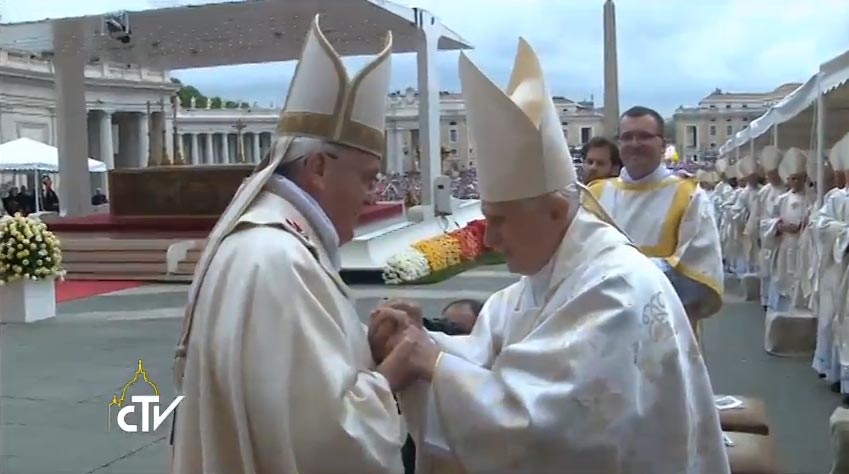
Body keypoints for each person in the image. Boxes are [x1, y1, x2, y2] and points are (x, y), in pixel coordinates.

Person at [370, 38, 729, 474]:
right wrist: (423, 339)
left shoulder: (613, 289)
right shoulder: (548, 273)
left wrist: (434, 365)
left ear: (556, 211)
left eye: (500, 221)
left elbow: (550, 429)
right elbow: (491, 355)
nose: (491, 241)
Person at [170, 16, 406, 474]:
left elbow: (292, 391)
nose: (373, 194)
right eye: (367, 178)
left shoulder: (273, 243)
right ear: (318, 167)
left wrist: (367, 348)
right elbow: (326, 441)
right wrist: (396, 371)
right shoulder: (280, 259)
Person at [587, 105, 724, 334]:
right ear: (619, 144)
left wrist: (622, 276)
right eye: (627, 137)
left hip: (664, 328)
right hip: (602, 327)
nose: (634, 144)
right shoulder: (595, 195)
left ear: (663, 144)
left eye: (644, 136)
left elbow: (697, 272)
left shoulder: (689, 196)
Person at [811, 134, 849, 386]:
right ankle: (840, 375)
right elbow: (820, 225)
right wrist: (845, 235)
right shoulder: (836, 198)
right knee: (838, 318)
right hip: (840, 265)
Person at [756, 146, 787, 309]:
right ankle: (766, 299)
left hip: (785, 238)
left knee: (780, 273)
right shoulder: (764, 192)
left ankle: (777, 304)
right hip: (768, 234)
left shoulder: (787, 190)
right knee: (767, 269)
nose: (771, 177)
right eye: (769, 174)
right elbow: (759, 214)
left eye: (774, 173)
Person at [727, 154, 762, 278]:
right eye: (750, 177)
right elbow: (735, 210)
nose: (753, 179)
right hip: (748, 229)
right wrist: (745, 216)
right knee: (749, 254)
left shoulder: (763, 191)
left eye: (754, 177)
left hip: (761, 230)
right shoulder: (743, 194)